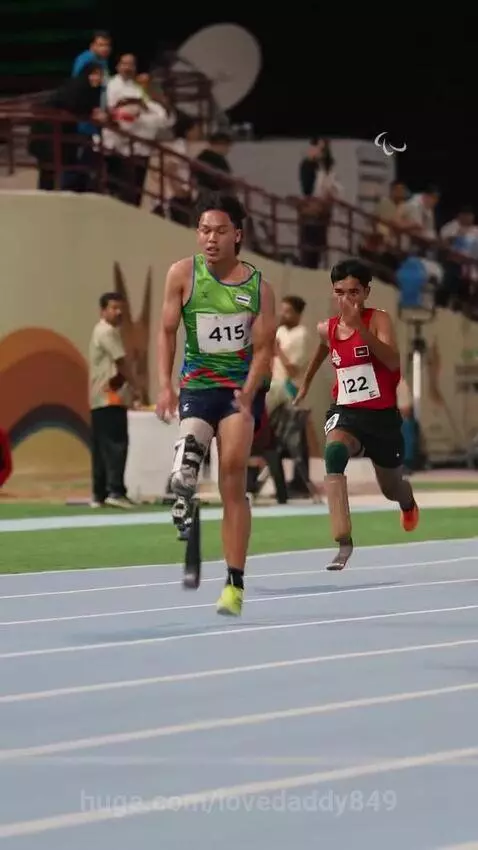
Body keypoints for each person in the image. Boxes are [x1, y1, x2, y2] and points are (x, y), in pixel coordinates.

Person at [156, 195, 276, 616]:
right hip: (197, 387)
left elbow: (264, 350)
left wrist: (249, 388)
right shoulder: (182, 274)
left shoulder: (259, 288)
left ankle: (234, 583)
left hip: (239, 392)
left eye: (219, 231)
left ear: (237, 235)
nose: (210, 238)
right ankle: (183, 485)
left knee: (232, 474)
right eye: (204, 230)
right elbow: (168, 332)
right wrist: (164, 386)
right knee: (187, 462)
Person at [294, 258, 419, 569]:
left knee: (391, 488)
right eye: (340, 292)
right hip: (347, 412)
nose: (346, 299)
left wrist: (361, 327)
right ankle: (343, 541)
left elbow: (391, 362)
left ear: (366, 292)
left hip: (382, 419)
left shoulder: (379, 320)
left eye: (353, 292)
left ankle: (407, 501)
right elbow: (321, 352)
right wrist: (305, 384)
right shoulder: (328, 327)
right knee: (334, 452)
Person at [88, 292, 140, 509]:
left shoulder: (98, 331)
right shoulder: (108, 332)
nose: (118, 313)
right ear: (103, 311)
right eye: (113, 308)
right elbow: (121, 363)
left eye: (121, 308)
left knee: (100, 447)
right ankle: (116, 491)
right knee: (117, 444)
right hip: (111, 397)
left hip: (98, 398)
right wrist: (137, 387)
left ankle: (99, 494)